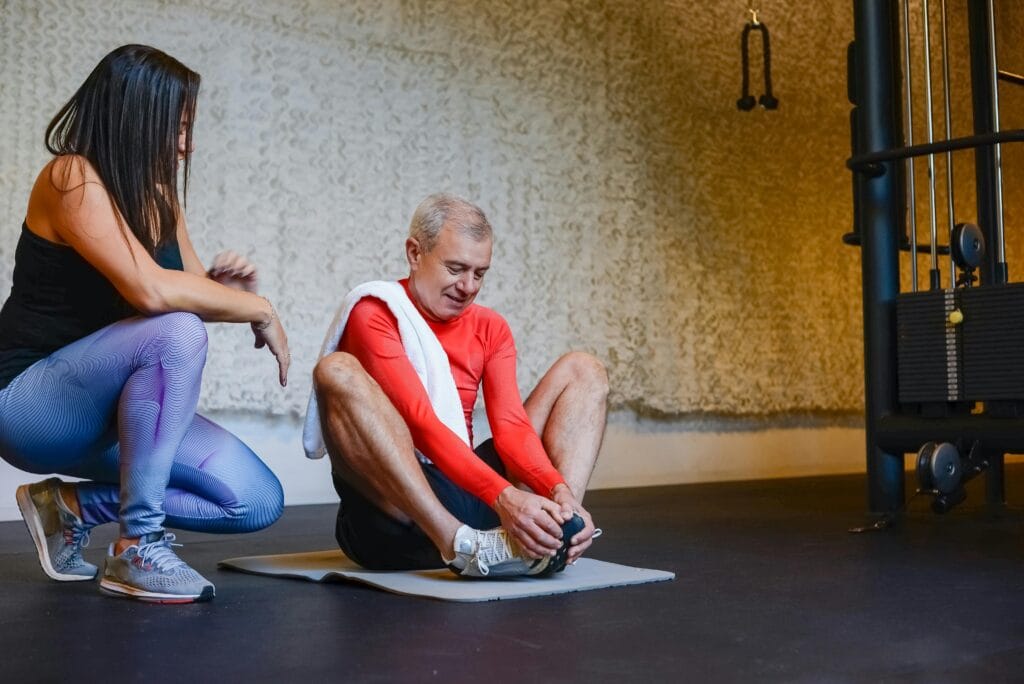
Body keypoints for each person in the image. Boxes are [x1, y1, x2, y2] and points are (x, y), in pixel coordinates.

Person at [0, 45, 291, 604]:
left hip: (109, 412)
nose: (188, 145)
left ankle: (69, 509)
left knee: (255, 498)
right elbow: (151, 293)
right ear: (135, 117)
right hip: (30, 403)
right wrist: (263, 310)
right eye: (177, 128)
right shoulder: (72, 178)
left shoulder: (160, 197)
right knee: (178, 328)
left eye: (190, 128)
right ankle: (136, 547)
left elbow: (174, 296)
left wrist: (221, 291)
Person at [304, 193, 608, 577]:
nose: (468, 286)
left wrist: (557, 489)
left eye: (479, 273)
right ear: (415, 253)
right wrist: (505, 497)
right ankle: (456, 544)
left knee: (584, 370)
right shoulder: (375, 312)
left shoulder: (490, 327)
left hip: (470, 495)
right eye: (455, 269)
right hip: (399, 515)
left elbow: (512, 427)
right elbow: (421, 423)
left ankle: (556, 535)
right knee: (336, 370)